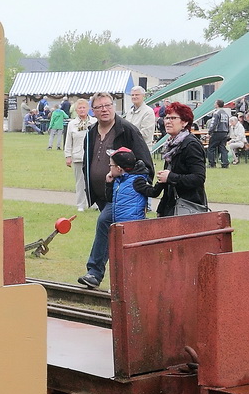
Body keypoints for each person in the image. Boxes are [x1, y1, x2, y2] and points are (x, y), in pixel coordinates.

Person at [77, 92, 154, 289]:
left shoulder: (127, 130)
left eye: (107, 105)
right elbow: (88, 160)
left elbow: (145, 163)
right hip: (103, 194)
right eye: (99, 107)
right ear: (93, 111)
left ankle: (94, 272)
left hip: (124, 195)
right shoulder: (91, 132)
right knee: (119, 235)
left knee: (105, 223)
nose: (104, 109)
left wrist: (127, 180)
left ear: (114, 106)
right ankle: (132, 278)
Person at [136, 101, 207, 217]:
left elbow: (198, 178)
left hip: (188, 208)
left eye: (173, 118)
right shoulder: (171, 145)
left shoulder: (191, 145)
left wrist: (170, 177)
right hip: (170, 206)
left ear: (184, 122)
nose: (168, 121)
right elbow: (164, 185)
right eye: (166, 118)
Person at [64, 98, 93, 211]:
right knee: (80, 182)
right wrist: (68, 156)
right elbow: (68, 141)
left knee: (93, 180)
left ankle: (94, 203)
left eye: (84, 107)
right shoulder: (72, 124)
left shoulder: (94, 122)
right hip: (78, 156)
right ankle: (81, 205)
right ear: (76, 110)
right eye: (79, 108)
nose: (82, 110)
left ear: (88, 109)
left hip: (92, 156)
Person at [205, 99, 231, 168]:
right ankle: (225, 163)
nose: (214, 104)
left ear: (217, 104)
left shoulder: (216, 113)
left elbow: (213, 123)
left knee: (211, 148)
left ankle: (212, 163)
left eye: (215, 103)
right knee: (222, 148)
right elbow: (228, 124)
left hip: (217, 132)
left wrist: (209, 133)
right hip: (224, 132)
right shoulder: (225, 113)